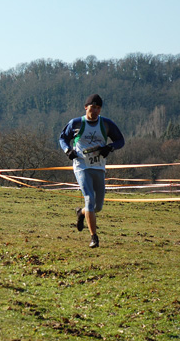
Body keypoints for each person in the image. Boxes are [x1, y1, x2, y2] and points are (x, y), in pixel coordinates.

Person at [59, 94, 125, 248]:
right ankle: (94, 237)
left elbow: (120, 141)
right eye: (92, 107)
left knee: (98, 207)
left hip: (98, 166)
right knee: (89, 198)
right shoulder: (76, 123)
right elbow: (62, 138)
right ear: (86, 107)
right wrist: (67, 150)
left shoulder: (106, 124)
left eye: (98, 108)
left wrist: (109, 147)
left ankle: (81, 213)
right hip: (81, 166)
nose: (95, 110)